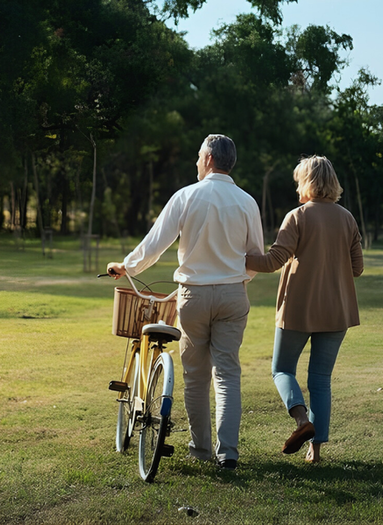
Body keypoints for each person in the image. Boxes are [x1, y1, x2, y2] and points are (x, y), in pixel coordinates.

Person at [107, 134, 264, 470]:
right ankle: (229, 454)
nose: (195, 162)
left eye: (197, 156)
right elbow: (255, 259)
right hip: (233, 294)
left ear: (208, 158)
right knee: (227, 374)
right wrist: (236, 280)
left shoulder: (187, 196)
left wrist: (127, 266)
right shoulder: (247, 202)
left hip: (193, 296)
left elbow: (154, 245)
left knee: (196, 376)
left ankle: (201, 449)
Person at [245, 155, 363, 463]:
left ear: (307, 183)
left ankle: (301, 422)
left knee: (282, 369)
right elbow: (358, 268)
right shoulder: (348, 218)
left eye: (299, 180)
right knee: (320, 380)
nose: (297, 186)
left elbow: (272, 261)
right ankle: (315, 452)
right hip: (337, 312)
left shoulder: (297, 217)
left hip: (298, 309)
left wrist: (237, 256)